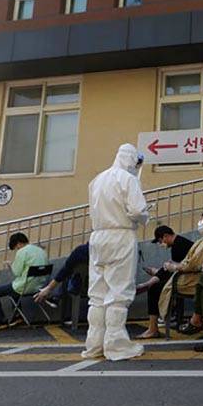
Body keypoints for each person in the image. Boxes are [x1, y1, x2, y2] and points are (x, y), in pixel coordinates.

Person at [84, 143, 150, 361]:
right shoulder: (128, 179)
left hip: (97, 237)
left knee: (98, 294)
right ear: (131, 159)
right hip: (121, 236)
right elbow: (138, 210)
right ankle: (116, 346)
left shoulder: (97, 180)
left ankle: (94, 345)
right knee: (119, 293)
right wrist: (143, 218)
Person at [154, 210, 203, 333]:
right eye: (200, 220)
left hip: (195, 279)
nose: (201, 223)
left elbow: (193, 264)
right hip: (195, 276)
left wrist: (175, 267)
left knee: (158, 286)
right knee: (161, 283)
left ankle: (156, 325)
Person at [135, 225, 195, 339]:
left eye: (160, 241)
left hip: (187, 280)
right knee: (159, 278)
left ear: (165, 236)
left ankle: (153, 328)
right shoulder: (180, 243)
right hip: (185, 276)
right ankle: (148, 284)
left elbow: (173, 270)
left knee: (154, 289)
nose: (160, 244)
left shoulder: (178, 246)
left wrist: (156, 274)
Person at [0, 232, 49, 331]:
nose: (17, 250)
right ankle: (18, 317)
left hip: (24, 286)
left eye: (16, 248)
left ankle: (0, 321)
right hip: (40, 287)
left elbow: (17, 272)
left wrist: (10, 265)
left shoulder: (22, 251)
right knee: (12, 290)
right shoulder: (41, 250)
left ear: (18, 243)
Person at [34, 241, 90, 323]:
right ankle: (55, 297)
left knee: (67, 276)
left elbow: (65, 270)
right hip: (104, 286)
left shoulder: (82, 250)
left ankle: (56, 298)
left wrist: (49, 288)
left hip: (83, 286)